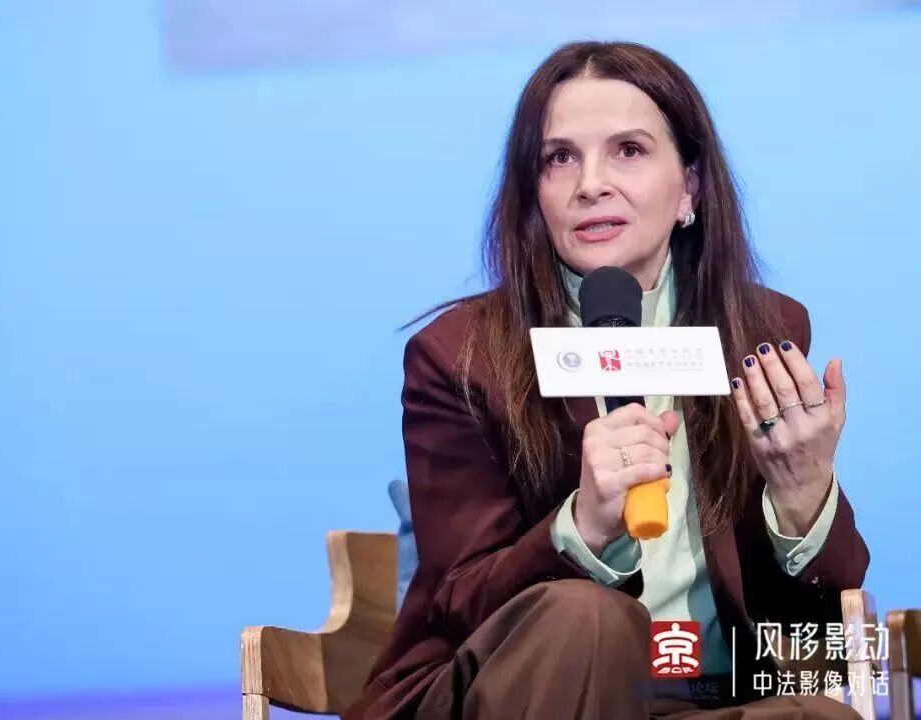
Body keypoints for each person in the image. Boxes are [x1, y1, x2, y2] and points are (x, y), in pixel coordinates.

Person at [343, 41, 868, 720]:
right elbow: (459, 602)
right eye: (560, 158)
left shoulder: (761, 331)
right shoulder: (461, 354)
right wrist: (581, 528)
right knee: (586, 620)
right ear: (535, 194)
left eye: (628, 150)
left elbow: (815, 625)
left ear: (690, 188)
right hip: (513, 692)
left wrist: (802, 497)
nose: (590, 184)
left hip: (694, 694)